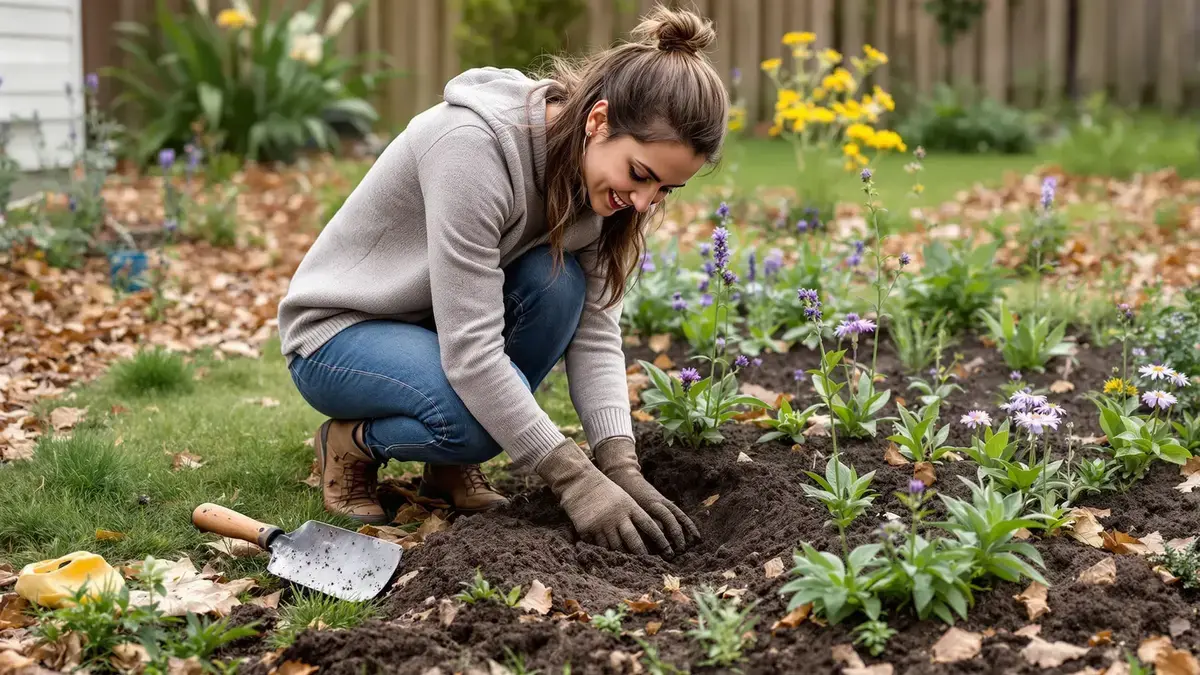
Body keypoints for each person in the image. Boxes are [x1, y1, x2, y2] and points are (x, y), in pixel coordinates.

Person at [275, 4, 729, 556]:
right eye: (639, 174)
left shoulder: (603, 193)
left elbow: (595, 333)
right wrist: (575, 480)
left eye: (664, 190)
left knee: (558, 284)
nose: (642, 202)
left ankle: (448, 469)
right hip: (341, 333)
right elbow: (473, 354)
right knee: (477, 427)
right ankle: (351, 442)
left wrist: (619, 466)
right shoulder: (472, 148)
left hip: (434, 330)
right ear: (598, 121)